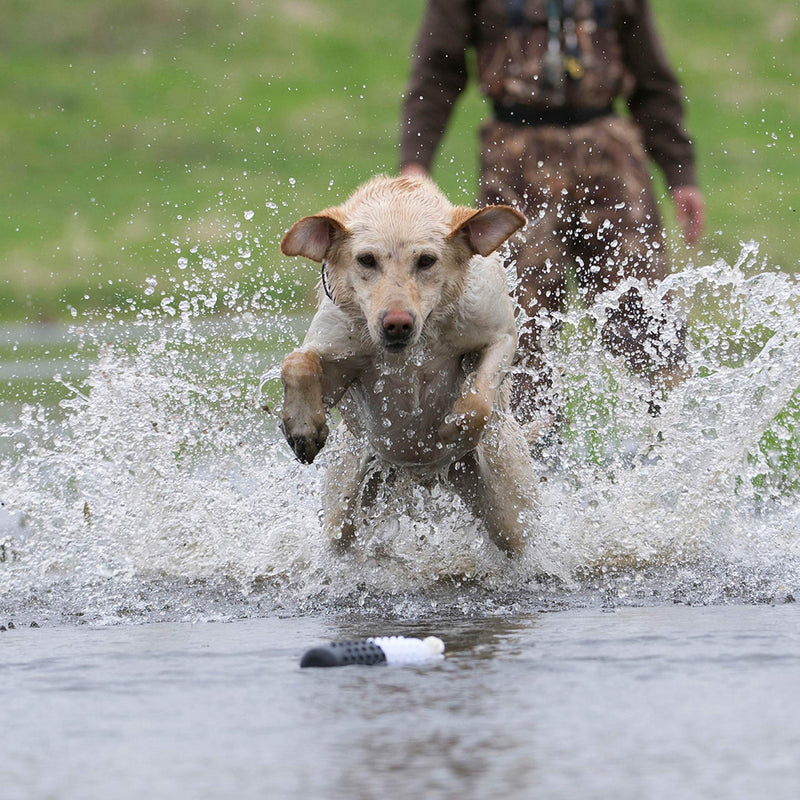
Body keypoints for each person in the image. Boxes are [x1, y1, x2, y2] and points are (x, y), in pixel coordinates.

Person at [399, 0, 705, 427]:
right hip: (516, 163)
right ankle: (531, 469)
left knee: (647, 319)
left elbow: (651, 79)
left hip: (612, 163)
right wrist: (416, 162)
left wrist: (680, 174)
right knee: (520, 332)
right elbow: (437, 70)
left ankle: (678, 450)